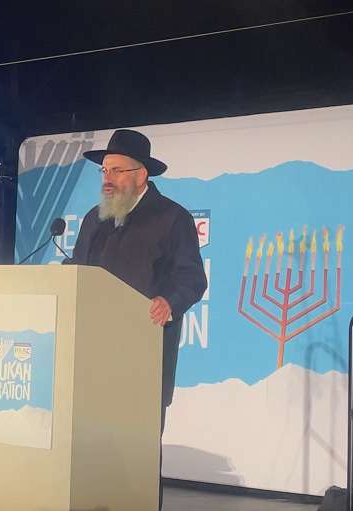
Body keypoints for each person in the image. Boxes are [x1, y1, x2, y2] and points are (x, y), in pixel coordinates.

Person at [62, 129, 206, 509]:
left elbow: (191, 278)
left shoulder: (172, 218)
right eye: (104, 171)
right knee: (92, 450)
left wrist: (168, 301)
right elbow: (80, 271)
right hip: (92, 356)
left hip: (143, 354)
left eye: (117, 171)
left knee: (136, 452)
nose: (107, 179)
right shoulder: (95, 219)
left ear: (142, 175)